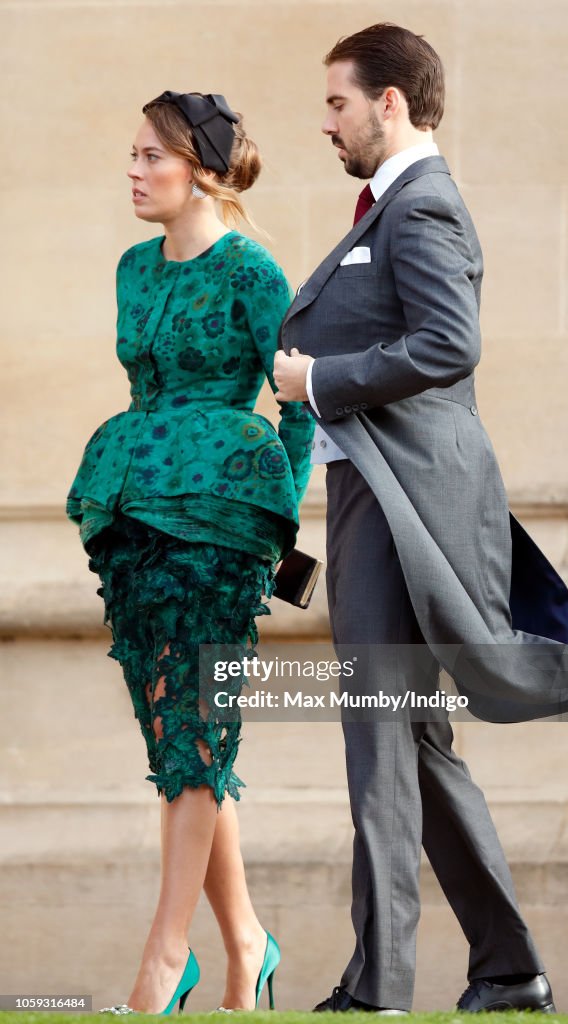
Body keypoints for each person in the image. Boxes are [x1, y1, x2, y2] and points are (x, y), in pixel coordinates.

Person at [274, 23, 568, 1013]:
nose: (323, 120)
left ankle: (381, 984)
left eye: (336, 102)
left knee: (380, 727)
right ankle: (507, 967)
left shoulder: (420, 207)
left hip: (404, 498)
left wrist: (316, 377)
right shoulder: (391, 209)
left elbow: (447, 345)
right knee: (412, 734)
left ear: (388, 103)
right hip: (384, 495)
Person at [66, 90, 314, 1014]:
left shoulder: (256, 274)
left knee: (193, 733)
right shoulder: (133, 268)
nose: (133, 172)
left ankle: (166, 956)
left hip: (223, 524)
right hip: (132, 514)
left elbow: (298, 410)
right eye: (130, 156)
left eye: (149, 157)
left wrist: (275, 525)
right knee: (177, 736)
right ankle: (248, 942)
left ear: (202, 168)